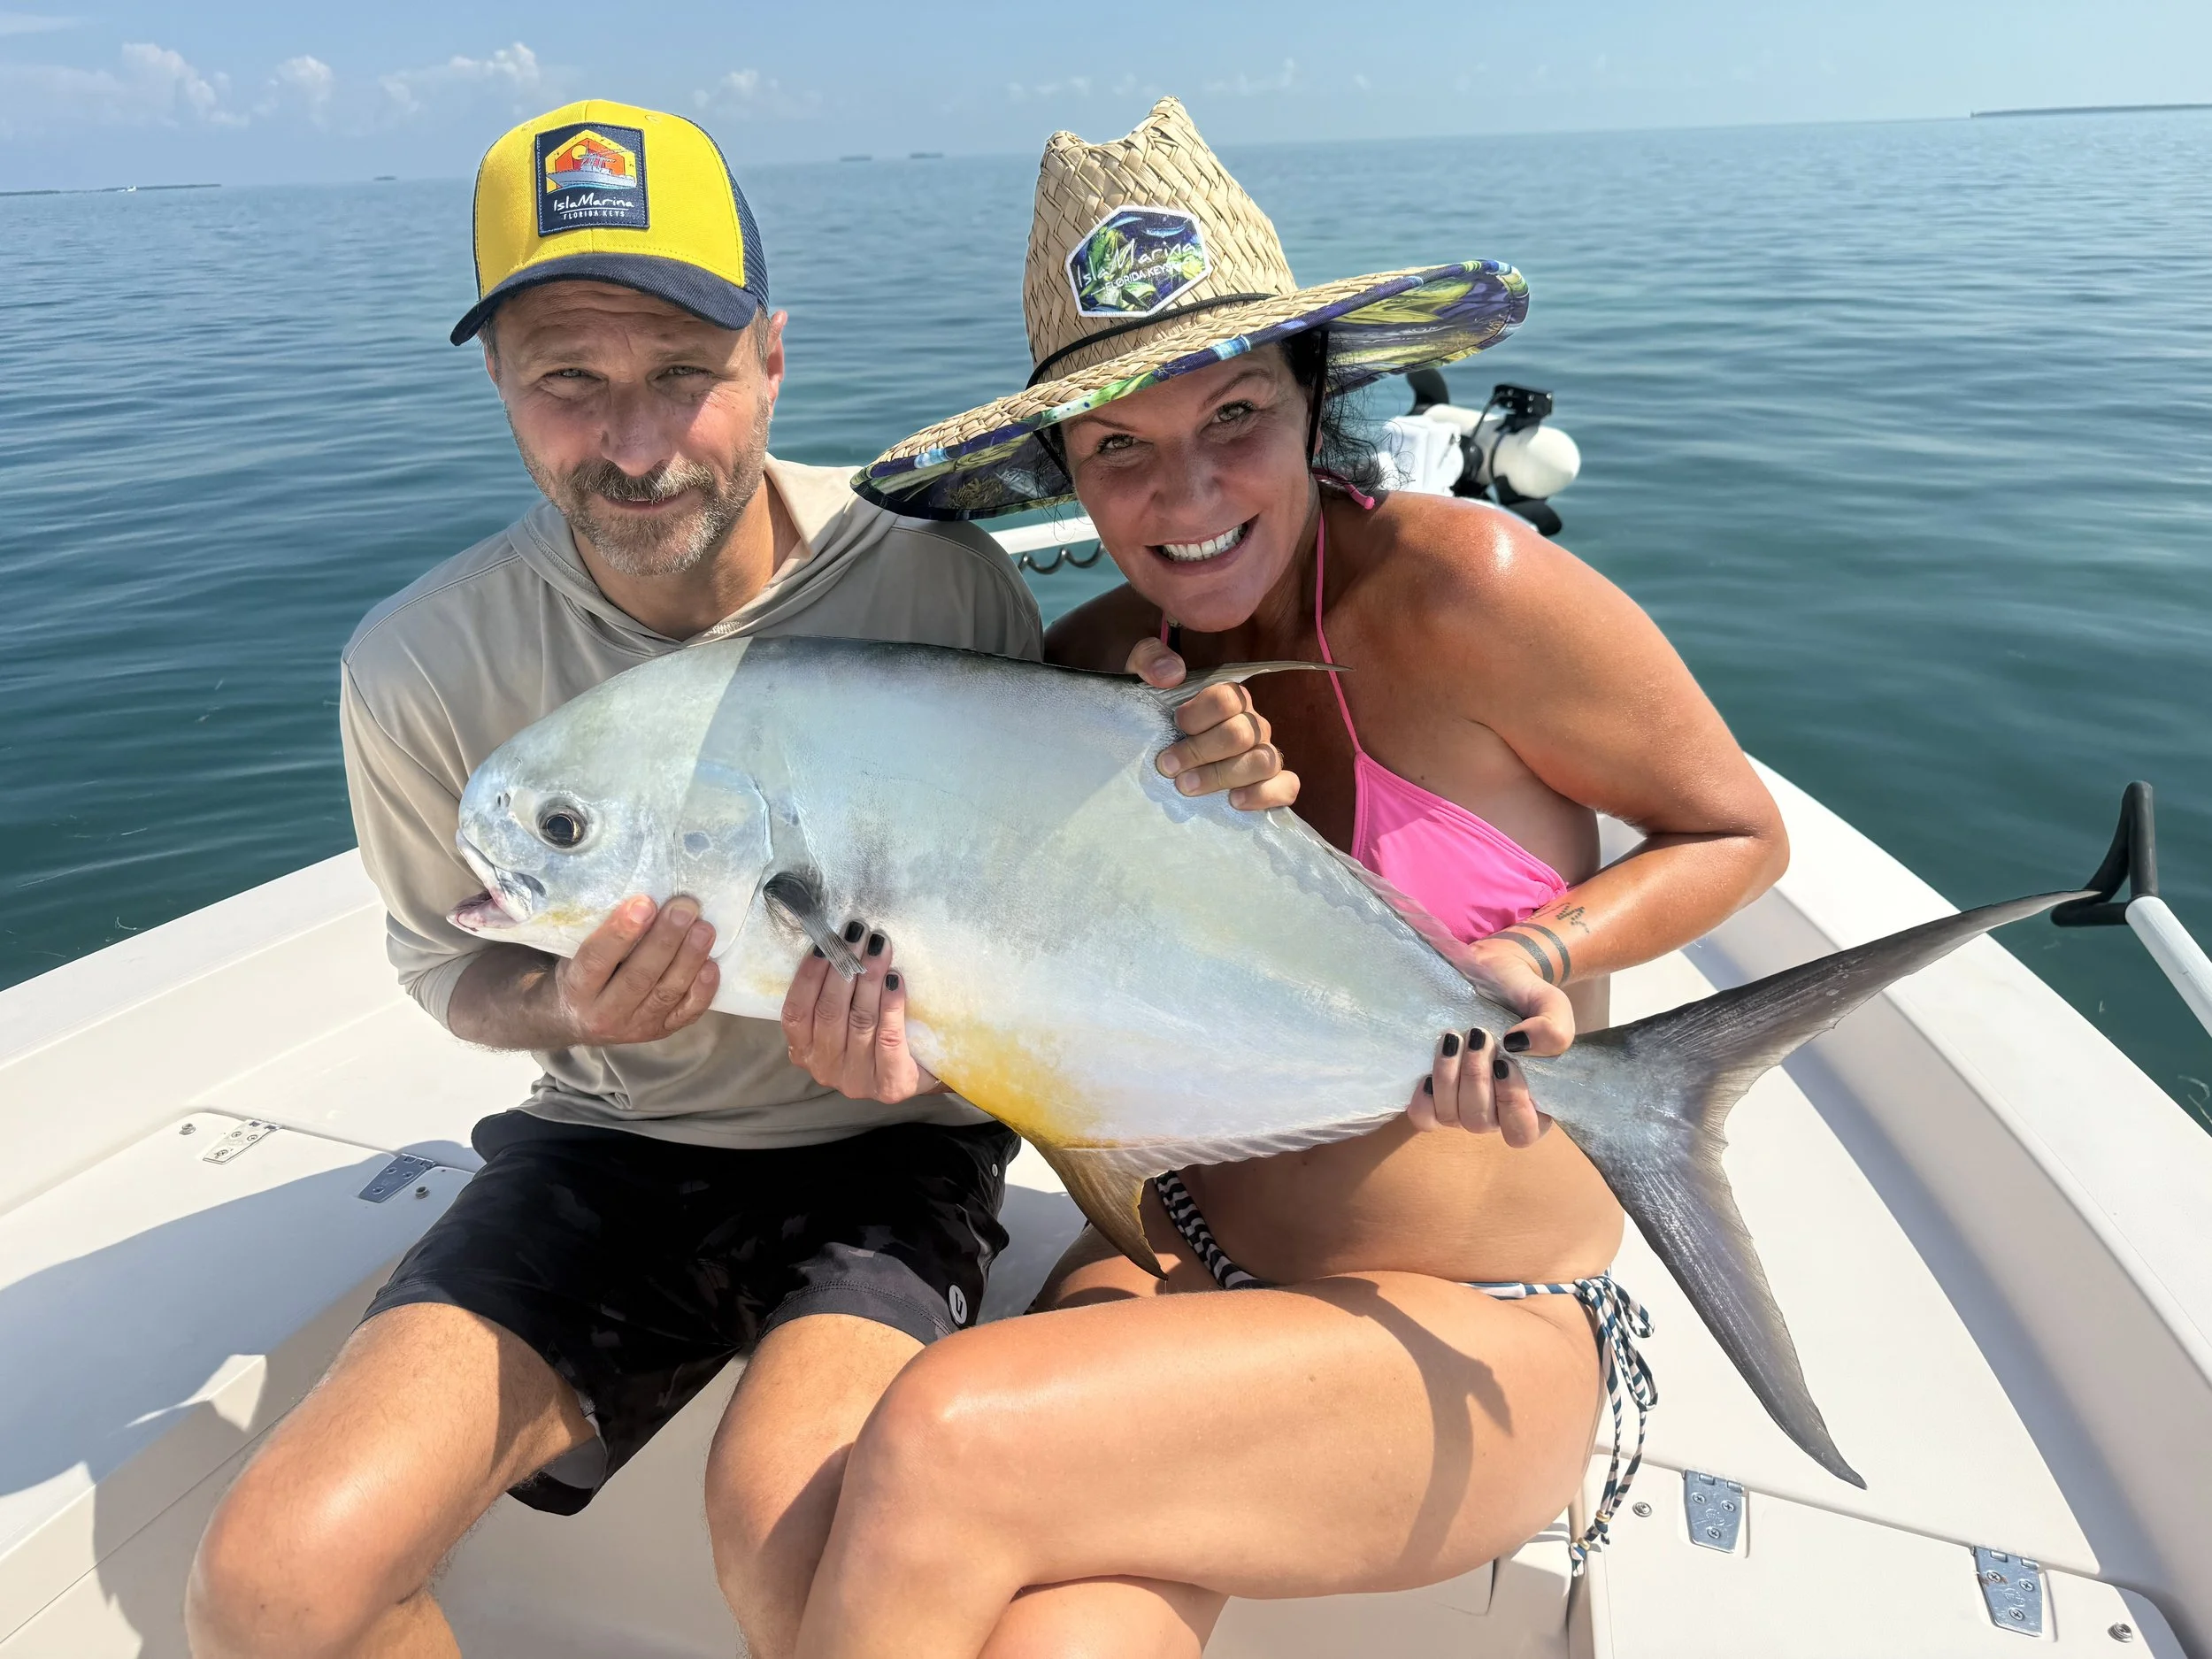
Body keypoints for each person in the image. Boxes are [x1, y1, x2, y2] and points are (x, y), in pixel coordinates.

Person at [183, 99, 1289, 1659]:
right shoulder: (421, 668)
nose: (634, 442)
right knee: (274, 1584)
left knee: (801, 1549)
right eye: (569, 377)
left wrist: (946, 1045)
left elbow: (1036, 907)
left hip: (887, 1146)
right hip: (605, 1151)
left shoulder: (929, 580)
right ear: (500, 384)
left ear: (771, 356)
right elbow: (451, 968)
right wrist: (562, 998)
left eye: (684, 374)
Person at [787, 97, 1792, 1659]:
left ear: (1315, 399)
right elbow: (1039, 993)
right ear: (1066, 465)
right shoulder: (1085, 676)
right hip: (1164, 1249)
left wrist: (1547, 945)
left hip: (1479, 1318)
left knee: (940, 1437)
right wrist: (896, 1032)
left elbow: (1739, 830)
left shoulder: (1476, 592)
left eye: (1235, 419)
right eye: (1121, 447)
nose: (1185, 498)